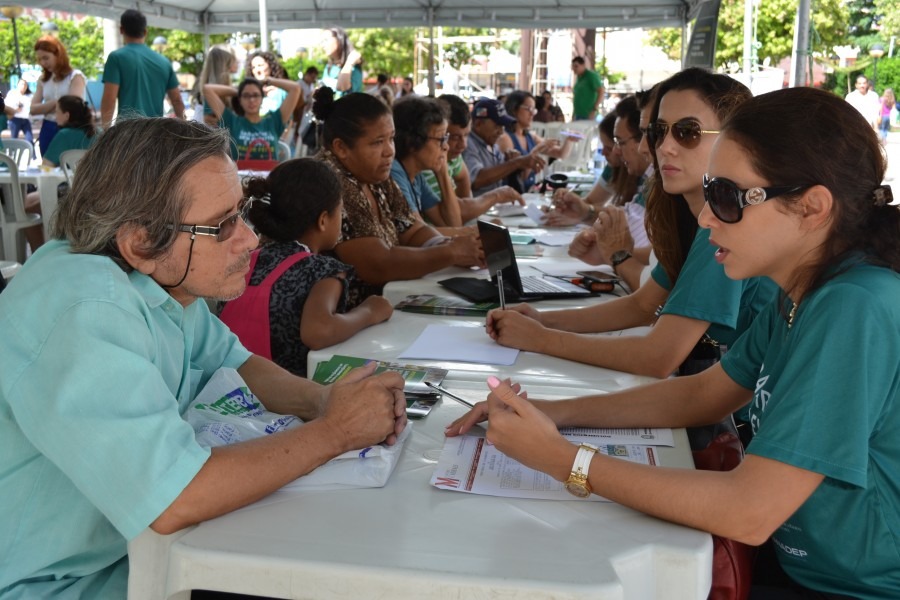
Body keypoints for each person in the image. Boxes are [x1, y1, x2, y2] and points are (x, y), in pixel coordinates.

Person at [449, 85, 900, 600]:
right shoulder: (803, 291)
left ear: (813, 207)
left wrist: (562, 460)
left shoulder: (854, 305)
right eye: (710, 194)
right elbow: (701, 394)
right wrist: (552, 412)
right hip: (808, 562)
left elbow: (748, 511)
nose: (707, 218)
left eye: (728, 198)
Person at [0, 117, 407, 597]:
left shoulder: (157, 279)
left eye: (243, 213)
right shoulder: (83, 312)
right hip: (63, 584)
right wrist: (335, 431)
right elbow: (174, 496)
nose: (251, 239)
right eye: (223, 225)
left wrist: (323, 402)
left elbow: (235, 363)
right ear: (140, 242)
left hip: (132, 553)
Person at [486, 70, 778, 403]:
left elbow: (659, 355)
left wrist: (540, 339)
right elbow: (642, 304)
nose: (661, 147)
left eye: (687, 132)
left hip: (738, 425)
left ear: (733, 140)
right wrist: (542, 321)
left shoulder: (730, 224)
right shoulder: (692, 217)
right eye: (658, 132)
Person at [219, 158, 393, 376]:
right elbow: (318, 331)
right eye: (340, 210)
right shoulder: (322, 271)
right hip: (284, 397)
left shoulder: (245, 261)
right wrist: (369, 312)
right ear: (323, 220)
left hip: (228, 389)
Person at [312, 88, 483, 306]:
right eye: (377, 142)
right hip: (341, 321)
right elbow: (377, 265)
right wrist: (450, 253)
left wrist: (450, 244)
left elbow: (412, 230)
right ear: (341, 148)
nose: (389, 151)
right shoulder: (333, 181)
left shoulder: (375, 173)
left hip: (376, 309)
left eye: (391, 139)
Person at [421, 94, 523, 222]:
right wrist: (496, 195)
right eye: (454, 137)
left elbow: (464, 181)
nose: (463, 144)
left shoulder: (454, 155)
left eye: (466, 135)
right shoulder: (427, 165)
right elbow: (455, 221)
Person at [101, 9, 185, 126]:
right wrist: (185, 129)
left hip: (127, 133)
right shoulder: (164, 62)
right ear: (145, 32)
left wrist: (105, 131)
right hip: (155, 132)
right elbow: (177, 100)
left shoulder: (116, 58)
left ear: (121, 30)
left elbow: (109, 100)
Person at [463, 98, 549, 196]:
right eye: (497, 126)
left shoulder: (493, 144)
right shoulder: (467, 143)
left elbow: (501, 172)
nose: (501, 132)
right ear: (478, 124)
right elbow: (476, 180)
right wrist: (516, 163)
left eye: (503, 126)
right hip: (478, 208)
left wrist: (511, 162)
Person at [497, 90, 579, 192]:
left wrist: (569, 139)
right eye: (528, 109)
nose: (532, 114)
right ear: (514, 109)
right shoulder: (505, 139)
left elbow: (560, 154)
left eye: (534, 110)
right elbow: (520, 178)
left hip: (528, 194)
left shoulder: (530, 136)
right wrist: (537, 150)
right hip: (513, 196)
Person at [204, 76, 300, 163]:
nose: (251, 100)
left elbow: (295, 88)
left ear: (262, 98)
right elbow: (207, 89)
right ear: (240, 100)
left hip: (269, 180)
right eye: (246, 96)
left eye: (255, 95)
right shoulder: (231, 121)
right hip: (239, 179)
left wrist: (267, 80)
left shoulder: (274, 121)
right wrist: (238, 91)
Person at [30, 36, 86, 154]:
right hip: (48, 127)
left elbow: (73, 108)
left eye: (46, 58)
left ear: (58, 55)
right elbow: (33, 109)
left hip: (70, 128)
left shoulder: (75, 76)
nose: (43, 63)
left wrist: (45, 107)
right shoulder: (43, 80)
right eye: (40, 59)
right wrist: (57, 102)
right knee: (47, 168)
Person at [191, 46, 238, 126]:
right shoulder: (213, 92)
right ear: (227, 63)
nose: (237, 62)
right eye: (234, 59)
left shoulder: (202, 87)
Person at [245, 50, 289, 116]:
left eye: (260, 65)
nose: (257, 70)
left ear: (270, 66)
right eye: (253, 67)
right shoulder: (248, 92)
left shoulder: (281, 92)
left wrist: (269, 80)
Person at [321, 27, 363, 97]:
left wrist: (349, 62)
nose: (323, 45)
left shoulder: (353, 66)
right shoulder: (329, 67)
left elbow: (342, 87)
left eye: (326, 40)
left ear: (339, 39)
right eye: (322, 42)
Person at [571, 56, 604, 121]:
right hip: (578, 114)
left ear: (583, 65)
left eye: (576, 66)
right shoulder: (579, 78)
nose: (574, 69)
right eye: (573, 66)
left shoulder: (591, 76)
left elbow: (601, 91)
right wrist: (574, 113)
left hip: (588, 115)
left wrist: (594, 109)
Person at [5, 79, 33, 144]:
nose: (23, 86)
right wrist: (15, 109)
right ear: (18, 85)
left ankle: (32, 154)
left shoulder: (29, 96)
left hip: (25, 119)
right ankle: (11, 153)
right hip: (15, 119)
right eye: (22, 84)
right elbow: (6, 105)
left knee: (29, 139)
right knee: (14, 139)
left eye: (25, 85)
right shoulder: (12, 93)